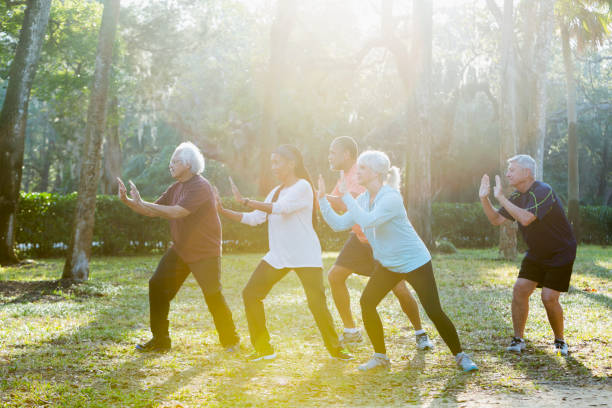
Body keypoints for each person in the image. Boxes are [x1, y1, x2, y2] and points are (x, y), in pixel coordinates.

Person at [318, 150, 478, 372]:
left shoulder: (390, 198)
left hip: (415, 261)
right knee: (367, 302)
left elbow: (368, 221)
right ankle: (381, 357)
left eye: (362, 168)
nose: (357, 172)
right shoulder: (363, 199)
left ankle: (460, 356)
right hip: (388, 264)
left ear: (375, 173)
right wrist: (321, 200)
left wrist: (345, 197)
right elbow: (338, 224)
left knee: (433, 310)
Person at [214, 144, 351, 362]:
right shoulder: (275, 191)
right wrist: (223, 211)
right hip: (278, 256)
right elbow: (254, 218)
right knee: (251, 294)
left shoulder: (303, 186)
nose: (273, 167)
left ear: (291, 163)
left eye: (277, 162)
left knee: (316, 303)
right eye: (272, 163)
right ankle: (264, 349)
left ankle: (336, 349)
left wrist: (247, 201)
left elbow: (281, 208)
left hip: (305, 255)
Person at [117, 142, 240, 353]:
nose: (170, 165)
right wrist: (129, 201)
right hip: (181, 249)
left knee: (213, 295)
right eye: (171, 161)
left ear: (189, 165)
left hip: (204, 252)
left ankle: (231, 341)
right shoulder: (176, 187)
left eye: (175, 161)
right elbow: (152, 211)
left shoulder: (201, 186)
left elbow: (176, 212)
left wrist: (144, 203)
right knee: (157, 286)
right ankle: (161, 340)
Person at [325, 136, 433, 350]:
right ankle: (351, 331)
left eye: (332, 152)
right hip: (359, 238)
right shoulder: (342, 176)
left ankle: (420, 332)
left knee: (399, 288)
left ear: (346, 154)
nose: (329, 157)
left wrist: (320, 197)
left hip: (377, 241)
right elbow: (343, 209)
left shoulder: (362, 171)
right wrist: (324, 199)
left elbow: (353, 203)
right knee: (335, 275)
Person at [479, 154, 576, 356]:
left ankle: (560, 341)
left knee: (549, 298)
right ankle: (518, 339)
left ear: (527, 172)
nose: (508, 174)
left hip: (561, 250)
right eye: (508, 170)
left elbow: (525, 218)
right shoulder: (516, 196)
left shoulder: (543, 191)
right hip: (537, 252)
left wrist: (501, 197)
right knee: (520, 289)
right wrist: (484, 198)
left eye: (512, 170)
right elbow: (496, 219)